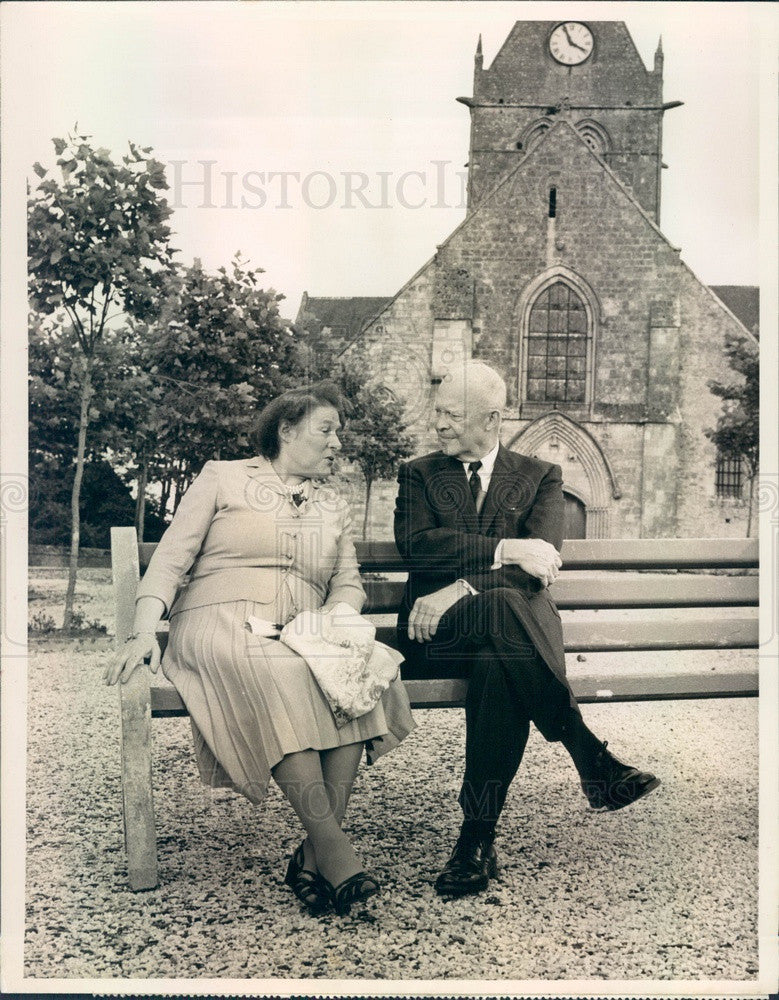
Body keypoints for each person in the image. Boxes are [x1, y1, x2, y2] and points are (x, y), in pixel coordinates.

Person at [105, 383, 415, 916]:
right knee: (288, 675)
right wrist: (141, 631)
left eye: (338, 432)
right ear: (286, 430)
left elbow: (348, 584)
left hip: (297, 632)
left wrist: (336, 620)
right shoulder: (224, 477)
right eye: (327, 430)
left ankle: (313, 854)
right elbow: (172, 559)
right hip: (218, 621)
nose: (337, 442)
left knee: (358, 672)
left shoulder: (331, 505)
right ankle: (334, 851)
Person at [393, 360, 659, 898]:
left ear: (491, 420)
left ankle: (474, 840)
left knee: (500, 654)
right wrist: (501, 549)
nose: (438, 423)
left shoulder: (540, 475)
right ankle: (588, 753)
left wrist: (459, 587)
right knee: (505, 611)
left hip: (496, 633)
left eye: (451, 414)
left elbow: (541, 564)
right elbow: (418, 545)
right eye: (437, 411)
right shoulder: (419, 473)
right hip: (437, 636)